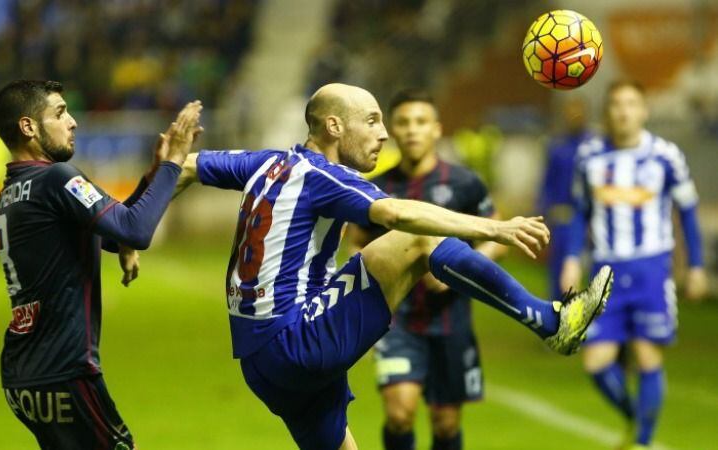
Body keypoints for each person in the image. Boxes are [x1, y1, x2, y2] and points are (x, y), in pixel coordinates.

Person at [176, 83, 613, 450]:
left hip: (258, 364)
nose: (384, 134)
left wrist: (131, 227)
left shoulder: (266, 163)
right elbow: (400, 217)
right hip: (297, 341)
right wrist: (493, 229)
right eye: (372, 121)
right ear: (333, 126)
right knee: (416, 239)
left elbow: (184, 165)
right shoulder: (322, 175)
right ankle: (549, 321)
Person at [0, 80, 202, 449]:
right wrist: (173, 163)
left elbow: (111, 231)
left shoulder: (13, 191)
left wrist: (153, 175)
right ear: (28, 127)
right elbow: (134, 230)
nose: (72, 121)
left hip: (22, 375)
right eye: (59, 113)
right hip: (65, 372)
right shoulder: (57, 179)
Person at [346, 89, 506, 450]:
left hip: (451, 320)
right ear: (391, 131)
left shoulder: (465, 184)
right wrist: (376, 279)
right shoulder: (377, 187)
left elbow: (494, 235)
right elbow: (355, 241)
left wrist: (461, 272)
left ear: (436, 129)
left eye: (420, 122)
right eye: (403, 122)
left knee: (446, 425)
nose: (412, 130)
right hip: (397, 319)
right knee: (400, 413)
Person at [561, 80, 708, 450]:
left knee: (646, 355)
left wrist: (696, 266)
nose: (623, 111)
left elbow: (688, 211)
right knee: (595, 362)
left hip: (651, 269)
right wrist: (570, 259)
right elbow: (580, 213)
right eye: (616, 104)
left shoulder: (665, 155)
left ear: (644, 110)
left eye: (631, 104)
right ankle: (636, 420)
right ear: (607, 112)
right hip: (605, 271)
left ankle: (641, 442)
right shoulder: (589, 157)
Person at [537, 96, 593, 301]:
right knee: (558, 278)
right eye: (570, 113)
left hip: (589, 223)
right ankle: (558, 323)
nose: (574, 117)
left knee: (591, 278)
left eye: (578, 112)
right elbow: (547, 184)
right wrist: (542, 217)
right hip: (561, 223)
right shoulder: (557, 147)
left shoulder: (593, 147)